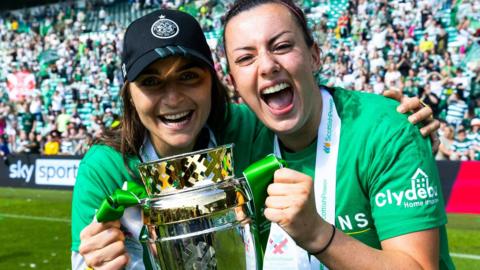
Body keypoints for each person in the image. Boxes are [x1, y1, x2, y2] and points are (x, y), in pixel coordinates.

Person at [73, 7, 440, 270]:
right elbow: (84, 259)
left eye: (189, 77)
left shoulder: (245, 129)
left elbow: (323, 108)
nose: (172, 98)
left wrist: (390, 120)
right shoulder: (106, 166)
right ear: (129, 94)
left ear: (218, 84)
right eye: (151, 82)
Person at [223, 0, 453, 269]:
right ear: (232, 81)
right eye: (245, 58)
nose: (267, 66)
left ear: (314, 56)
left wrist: (318, 235)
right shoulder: (238, 132)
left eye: (282, 46)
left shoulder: (385, 130)